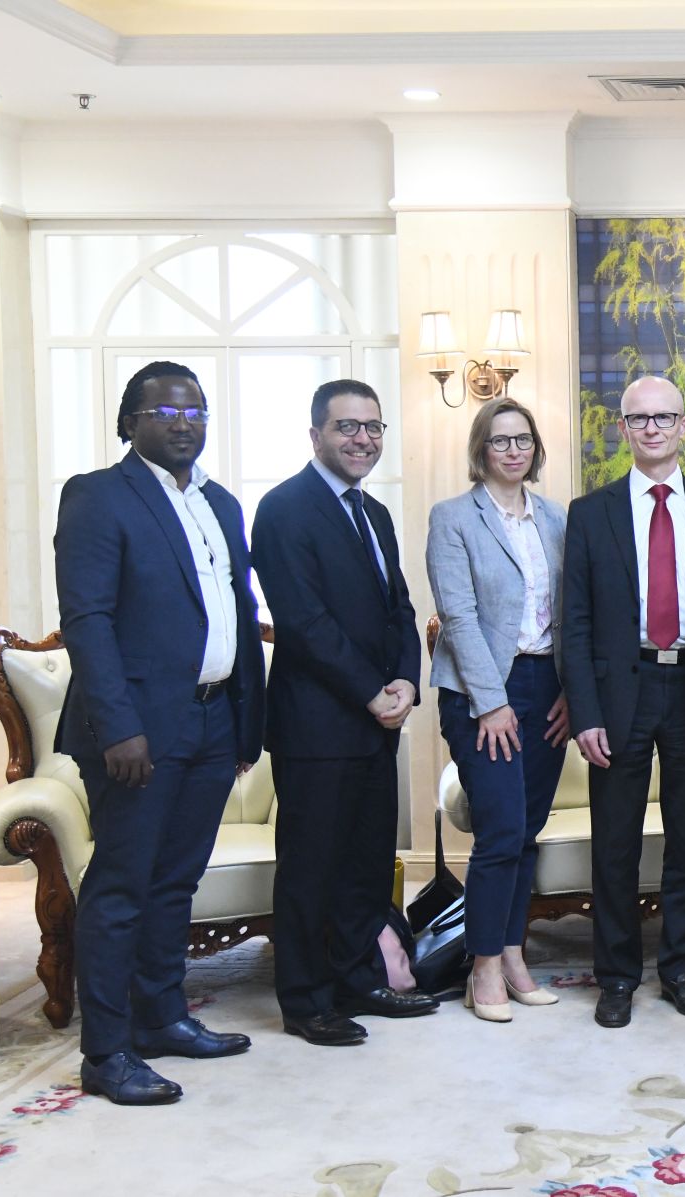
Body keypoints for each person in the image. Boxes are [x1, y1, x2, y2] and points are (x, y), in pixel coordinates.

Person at [53, 362, 265, 1104]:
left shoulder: (221, 503)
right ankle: (106, 1053)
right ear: (129, 422)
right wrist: (119, 726)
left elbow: (237, 610)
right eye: (166, 411)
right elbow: (87, 619)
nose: (184, 423)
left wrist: (245, 723)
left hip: (212, 720)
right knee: (122, 886)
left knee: (177, 882)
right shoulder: (97, 496)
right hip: (137, 731)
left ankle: (162, 1017)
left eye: (196, 411)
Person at [561, 376, 685, 1030]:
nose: (652, 428)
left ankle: (681, 970)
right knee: (614, 842)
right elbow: (575, 623)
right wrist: (585, 713)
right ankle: (616, 976)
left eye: (664, 417)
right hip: (622, 691)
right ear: (623, 428)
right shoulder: (591, 513)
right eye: (639, 418)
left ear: (683, 425)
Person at [252, 379, 437, 1046]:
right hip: (316, 724)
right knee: (310, 869)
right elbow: (303, 621)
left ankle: (360, 977)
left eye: (373, 427)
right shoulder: (283, 509)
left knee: (367, 862)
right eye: (347, 426)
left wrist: (406, 681)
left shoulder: (375, 512)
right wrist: (369, 690)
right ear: (316, 435)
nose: (363, 439)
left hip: (377, 722)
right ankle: (306, 1000)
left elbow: (399, 609)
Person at [426, 398, 572, 1023]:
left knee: (527, 830)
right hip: (480, 692)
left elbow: (572, 613)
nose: (513, 450)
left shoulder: (557, 518)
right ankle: (482, 965)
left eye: (523, 440)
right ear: (480, 449)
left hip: (548, 688)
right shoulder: (453, 518)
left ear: (536, 449)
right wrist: (491, 705)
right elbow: (457, 617)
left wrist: (571, 691)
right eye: (500, 440)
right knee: (502, 829)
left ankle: (513, 954)